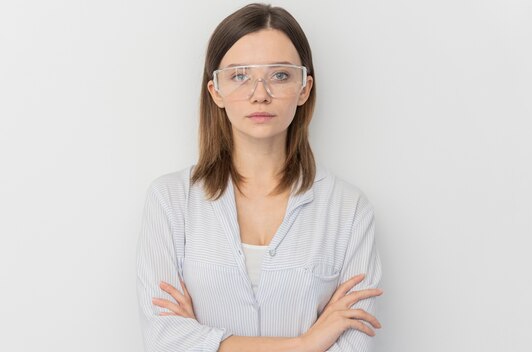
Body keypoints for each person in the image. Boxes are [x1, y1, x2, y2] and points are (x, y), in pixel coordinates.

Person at [136, 3, 383, 351]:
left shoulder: (349, 210)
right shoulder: (170, 200)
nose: (260, 93)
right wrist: (305, 344)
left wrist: (206, 342)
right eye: (240, 75)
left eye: (280, 75)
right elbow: (164, 342)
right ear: (215, 91)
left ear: (304, 88)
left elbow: (355, 347)